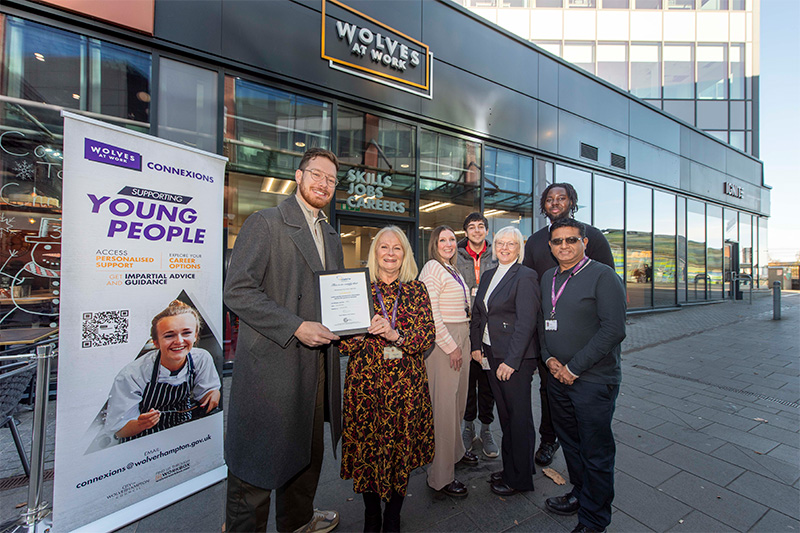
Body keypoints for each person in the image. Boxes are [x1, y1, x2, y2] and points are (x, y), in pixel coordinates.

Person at [224, 148, 344, 533]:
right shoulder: (266, 222)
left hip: (317, 363)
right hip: (273, 365)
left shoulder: (330, 234)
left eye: (331, 179)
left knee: (307, 453)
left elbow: (334, 294)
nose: (324, 183)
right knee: (257, 462)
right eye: (317, 174)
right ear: (299, 175)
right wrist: (295, 326)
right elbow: (237, 290)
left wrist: (356, 319)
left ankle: (298, 522)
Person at [339, 226, 435, 532]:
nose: (390, 253)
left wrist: (396, 334)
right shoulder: (358, 289)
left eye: (397, 248)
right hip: (365, 386)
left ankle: (393, 515)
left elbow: (426, 337)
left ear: (405, 254)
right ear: (374, 252)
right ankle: (371, 516)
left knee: (399, 451)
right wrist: (359, 330)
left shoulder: (417, 290)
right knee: (368, 449)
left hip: (406, 388)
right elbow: (342, 343)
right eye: (384, 247)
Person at [539, 218, 626, 533]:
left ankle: (594, 519)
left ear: (584, 242)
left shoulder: (603, 277)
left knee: (595, 452)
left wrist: (574, 368)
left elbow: (613, 331)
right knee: (571, 445)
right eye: (558, 241)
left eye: (571, 240)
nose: (564, 246)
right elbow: (542, 320)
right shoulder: (548, 276)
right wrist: (548, 357)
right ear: (550, 246)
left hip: (592, 381)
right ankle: (579, 493)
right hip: (557, 379)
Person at [522, 182, 615, 468]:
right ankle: (549, 439)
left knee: (584, 399)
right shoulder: (536, 241)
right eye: (549, 199)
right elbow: (527, 281)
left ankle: (584, 457)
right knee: (549, 390)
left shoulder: (591, 237)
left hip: (584, 337)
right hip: (546, 333)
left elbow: (608, 286)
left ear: (571, 201)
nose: (555, 202)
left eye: (561, 198)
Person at [469, 226, 540, 497]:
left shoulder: (526, 276)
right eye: (500, 243)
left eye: (511, 244)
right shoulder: (488, 275)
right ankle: (513, 467)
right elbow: (478, 314)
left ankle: (519, 479)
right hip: (490, 353)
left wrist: (511, 361)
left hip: (514, 359)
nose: (505, 248)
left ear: (519, 248)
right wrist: (476, 346)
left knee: (518, 418)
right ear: (494, 246)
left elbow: (526, 323)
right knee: (506, 416)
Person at [105, 300, 221, 442]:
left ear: (195, 335)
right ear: (155, 341)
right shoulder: (133, 374)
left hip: (184, 432)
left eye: (186, 333)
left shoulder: (201, 358)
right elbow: (120, 430)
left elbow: (206, 393)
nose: (179, 341)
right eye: (169, 335)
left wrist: (213, 393)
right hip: (143, 441)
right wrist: (141, 424)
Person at [419, 225, 473, 498]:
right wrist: (452, 346)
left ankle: (455, 453)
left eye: (452, 239)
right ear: (435, 243)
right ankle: (440, 476)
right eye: (443, 240)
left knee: (458, 403)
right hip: (445, 343)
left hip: (462, 336)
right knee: (443, 409)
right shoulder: (432, 268)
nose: (449, 244)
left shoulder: (452, 268)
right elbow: (430, 315)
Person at [455, 212, 499, 459]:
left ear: (486, 231)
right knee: (467, 381)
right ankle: (468, 426)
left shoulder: (496, 255)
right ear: (466, 232)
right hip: (464, 326)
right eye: (471, 227)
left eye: (481, 226)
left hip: (489, 328)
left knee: (488, 382)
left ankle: (486, 429)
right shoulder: (455, 256)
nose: (476, 230)